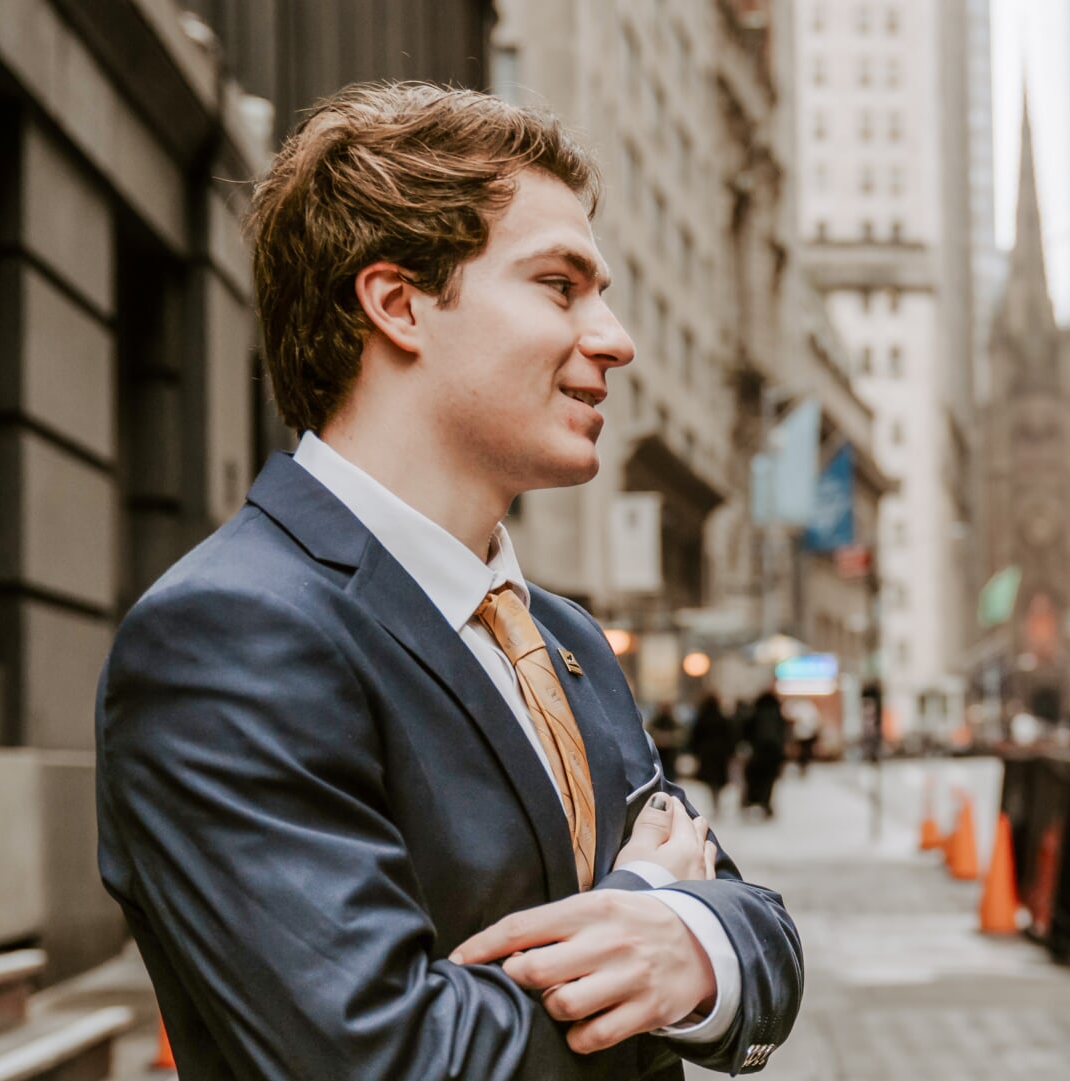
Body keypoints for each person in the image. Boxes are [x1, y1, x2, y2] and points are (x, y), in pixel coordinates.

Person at [95, 83, 802, 1079]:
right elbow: (385, 1056)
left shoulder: (568, 638)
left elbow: (758, 930)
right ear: (397, 303)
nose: (615, 338)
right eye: (561, 285)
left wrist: (700, 945)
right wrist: (652, 916)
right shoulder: (227, 637)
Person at [688, 697, 739, 815]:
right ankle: (716, 801)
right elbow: (730, 737)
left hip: (706, 754)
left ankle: (714, 800)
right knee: (718, 779)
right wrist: (731, 752)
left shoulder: (702, 719)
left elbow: (695, 737)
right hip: (720, 754)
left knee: (710, 780)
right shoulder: (722, 718)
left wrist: (694, 752)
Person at [743, 689, 788, 817]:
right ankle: (765, 803)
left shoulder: (756, 712)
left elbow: (747, 730)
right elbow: (783, 733)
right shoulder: (777, 713)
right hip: (774, 753)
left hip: (758, 752)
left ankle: (753, 801)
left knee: (756, 778)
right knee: (769, 780)